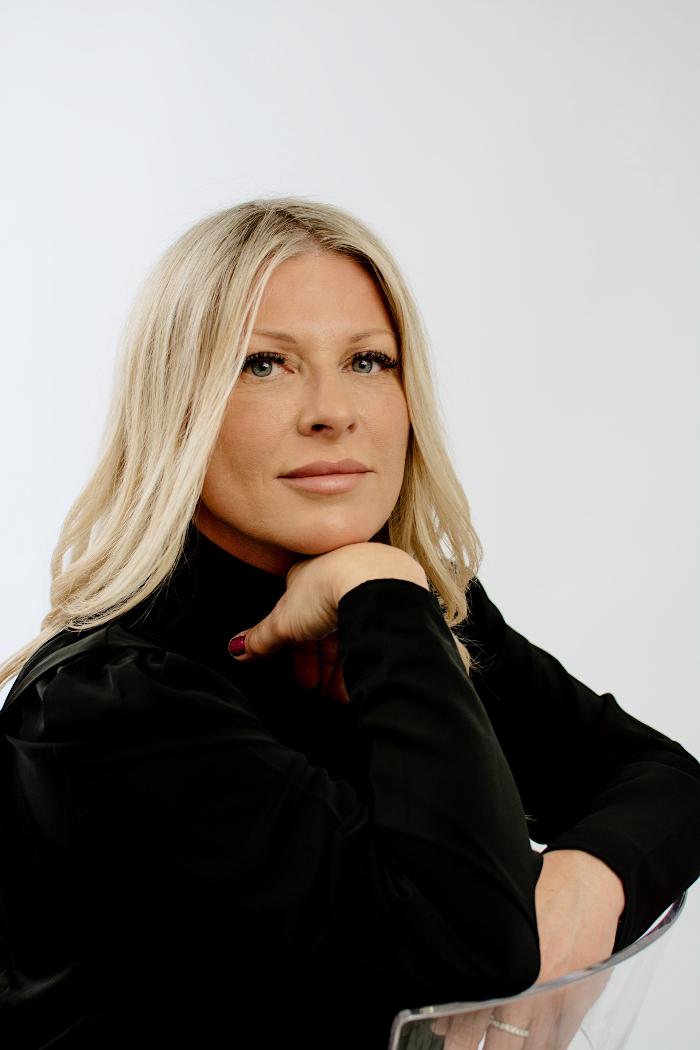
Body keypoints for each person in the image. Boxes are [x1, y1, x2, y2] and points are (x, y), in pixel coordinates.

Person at [0, 197, 698, 1050]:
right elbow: (468, 951)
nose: (333, 411)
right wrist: (381, 588)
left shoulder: (405, 614)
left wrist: (587, 883)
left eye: (368, 360)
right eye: (264, 364)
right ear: (176, 405)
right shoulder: (103, 705)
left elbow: (665, 778)